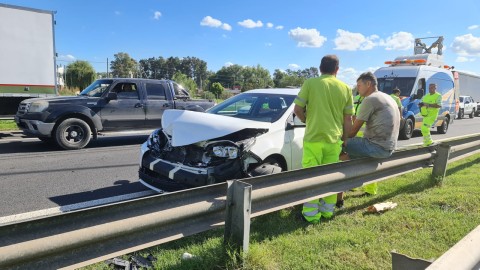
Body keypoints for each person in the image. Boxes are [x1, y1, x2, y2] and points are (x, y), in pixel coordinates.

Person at [293, 55, 354, 223]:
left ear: (320, 68)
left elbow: (297, 109)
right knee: (330, 177)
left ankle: (311, 216)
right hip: (334, 140)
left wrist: (307, 120)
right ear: (337, 69)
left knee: (311, 177)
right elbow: (348, 119)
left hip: (313, 138)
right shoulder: (345, 88)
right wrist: (346, 139)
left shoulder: (310, 83)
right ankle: (327, 212)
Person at [344, 72, 400, 194]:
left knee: (336, 147)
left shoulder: (370, 99)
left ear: (368, 84)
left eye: (359, 85)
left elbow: (353, 132)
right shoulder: (388, 97)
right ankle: (353, 182)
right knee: (350, 154)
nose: (357, 88)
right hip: (390, 147)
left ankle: (339, 183)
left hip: (375, 146)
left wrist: (340, 138)